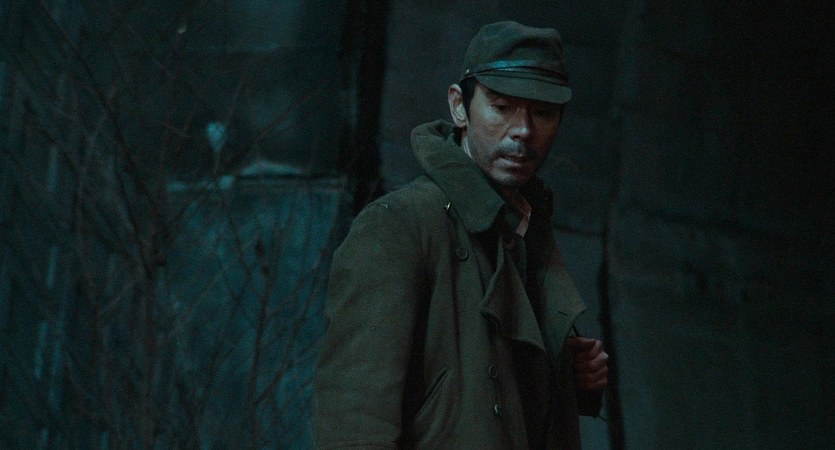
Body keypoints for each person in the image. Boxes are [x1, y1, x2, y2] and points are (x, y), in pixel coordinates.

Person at [313, 21, 608, 449]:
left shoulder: (526, 225)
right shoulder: (399, 226)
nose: (523, 130)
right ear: (459, 107)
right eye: (502, 107)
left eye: (542, 113)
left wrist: (569, 376)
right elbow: (353, 422)